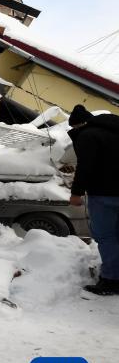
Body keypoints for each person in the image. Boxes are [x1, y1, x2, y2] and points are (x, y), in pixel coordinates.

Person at [68, 104, 119, 295]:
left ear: (78, 125)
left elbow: (85, 166)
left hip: (104, 194)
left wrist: (76, 193)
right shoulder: (115, 130)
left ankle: (112, 280)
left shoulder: (88, 135)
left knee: (106, 236)